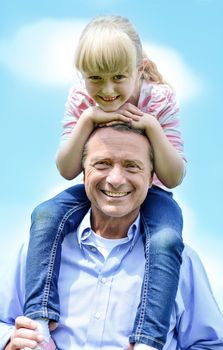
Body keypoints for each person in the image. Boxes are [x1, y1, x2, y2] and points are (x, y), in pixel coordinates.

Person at [24, 15, 186, 350]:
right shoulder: (81, 99)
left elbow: (174, 176)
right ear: (82, 76)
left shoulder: (159, 99)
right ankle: (39, 315)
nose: (107, 90)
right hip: (93, 190)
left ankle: (147, 339)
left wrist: (152, 127)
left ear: (138, 69)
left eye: (118, 77)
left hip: (149, 191)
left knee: (167, 239)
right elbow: (68, 169)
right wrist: (87, 120)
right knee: (44, 215)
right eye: (95, 78)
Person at [1, 125, 223, 350]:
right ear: (83, 172)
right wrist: (10, 343)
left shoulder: (181, 262)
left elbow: (216, 346)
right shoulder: (39, 251)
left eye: (132, 166)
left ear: (152, 178)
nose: (115, 179)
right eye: (102, 163)